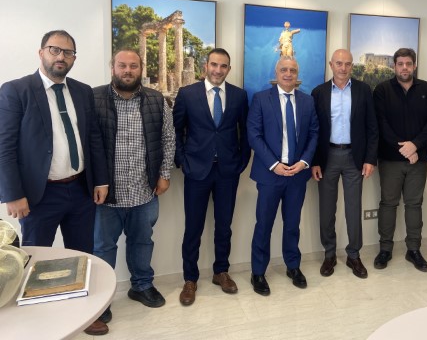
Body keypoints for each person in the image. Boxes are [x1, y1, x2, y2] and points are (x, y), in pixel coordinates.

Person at [86, 50, 176, 335]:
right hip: (105, 195)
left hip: (144, 190)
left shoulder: (156, 100)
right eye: (122, 65)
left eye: (133, 66)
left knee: (142, 242)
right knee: (103, 247)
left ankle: (142, 286)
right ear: (112, 67)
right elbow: (86, 143)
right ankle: (101, 300)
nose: (128, 70)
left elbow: (168, 138)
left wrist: (164, 175)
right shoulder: (93, 98)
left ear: (141, 69)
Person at [0, 30, 108, 252]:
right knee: (37, 260)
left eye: (68, 52)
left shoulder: (83, 91)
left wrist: (101, 181)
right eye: (54, 50)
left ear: (74, 58)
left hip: (81, 191)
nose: (61, 56)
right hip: (39, 195)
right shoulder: (16, 90)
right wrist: (13, 194)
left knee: (82, 257)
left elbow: (93, 137)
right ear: (41, 53)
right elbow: (4, 146)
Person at [173, 48, 251, 305]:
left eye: (223, 66)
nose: (218, 70)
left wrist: (241, 162)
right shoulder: (187, 94)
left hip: (227, 172)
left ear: (229, 69)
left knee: (224, 226)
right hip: (196, 171)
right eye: (214, 65)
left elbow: (245, 132)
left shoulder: (239, 95)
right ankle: (190, 279)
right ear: (206, 66)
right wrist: (183, 162)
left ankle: (221, 272)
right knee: (193, 228)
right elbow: (176, 131)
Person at [247, 56, 319, 296]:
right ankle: (258, 272)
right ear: (276, 72)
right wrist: (274, 164)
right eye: (284, 70)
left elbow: (314, 133)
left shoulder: (307, 101)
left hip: (297, 175)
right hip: (270, 175)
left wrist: (304, 162)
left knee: (292, 224)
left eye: (293, 70)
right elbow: (253, 134)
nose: (288, 74)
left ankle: (293, 266)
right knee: (264, 224)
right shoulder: (260, 99)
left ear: (297, 74)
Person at [311, 49, 378, 279]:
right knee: (326, 210)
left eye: (348, 64)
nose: (343, 68)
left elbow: (372, 127)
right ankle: (329, 254)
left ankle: (353, 255)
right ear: (331, 65)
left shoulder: (363, 90)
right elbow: (314, 130)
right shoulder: (319, 92)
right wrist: (315, 161)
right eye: (339, 63)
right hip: (327, 157)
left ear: (352, 66)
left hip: (354, 158)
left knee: (353, 209)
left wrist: (370, 159)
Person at [372, 48, 427, 272]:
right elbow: (381, 123)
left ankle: (414, 250)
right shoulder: (382, 90)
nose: (404, 68)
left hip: (418, 159)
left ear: (414, 65)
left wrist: (415, 146)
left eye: (408, 64)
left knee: (414, 204)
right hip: (390, 159)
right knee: (388, 203)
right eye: (400, 64)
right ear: (394, 66)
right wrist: (405, 149)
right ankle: (385, 249)